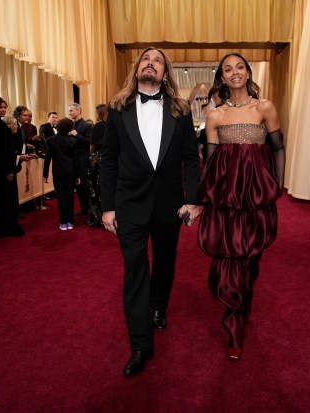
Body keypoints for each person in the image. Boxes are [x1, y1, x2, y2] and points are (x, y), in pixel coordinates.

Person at [100, 47, 201, 376]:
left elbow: (191, 159)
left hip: (169, 203)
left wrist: (192, 199)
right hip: (129, 204)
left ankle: (159, 305)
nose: (151, 63)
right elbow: (109, 161)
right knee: (135, 269)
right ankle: (140, 343)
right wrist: (107, 207)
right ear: (137, 68)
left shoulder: (180, 110)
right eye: (146, 59)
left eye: (158, 61)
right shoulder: (117, 109)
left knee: (165, 262)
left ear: (165, 72)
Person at [197, 52, 285, 362]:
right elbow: (208, 163)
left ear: (247, 73)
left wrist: (277, 187)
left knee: (250, 264)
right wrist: (198, 201)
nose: (234, 73)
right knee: (228, 266)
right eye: (227, 69)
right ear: (221, 77)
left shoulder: (264, 107)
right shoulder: (215, 115)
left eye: (240, 67)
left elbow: (278, 148)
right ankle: (235, 323)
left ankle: (242, 305)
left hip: (258, 201)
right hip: (226, 203)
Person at [0, 97, 28, 237]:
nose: (3, 109)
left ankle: (4, 227)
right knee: (4, 200)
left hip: (3, 168)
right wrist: (8, 170)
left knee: (5, 200)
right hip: (2, 170)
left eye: (4, 107)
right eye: (0, 107)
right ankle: (5, 228)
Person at [43, 118, 80, 230]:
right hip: (71, 172)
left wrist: (45, 174)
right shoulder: (73, 141)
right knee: (69, 196)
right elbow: (76, 160)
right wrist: (78, 176)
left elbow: (47, 158)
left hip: (58, 172)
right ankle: (70, 221)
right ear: (70, 128)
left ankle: (63, 222)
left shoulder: (50, 140)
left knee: (61, 197)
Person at [68, 103, 92, 216]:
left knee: (84, 185)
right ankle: (83, 208)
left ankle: (89, 209)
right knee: (77, 186)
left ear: (78, 111)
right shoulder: (70, 124)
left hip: (82, 160)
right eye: (69, 110)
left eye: (71, 110)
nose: (69, 112)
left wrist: (76, 135)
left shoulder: (86, 125)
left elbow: (89, 142)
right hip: (72, 160)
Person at [87, 104, 108, 227]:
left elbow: (92, 145)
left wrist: (90, 156)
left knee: (95, 188)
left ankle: (98, 217)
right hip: (110, 158)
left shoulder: (98, 125)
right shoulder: (112, 125)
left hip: (98, 159)